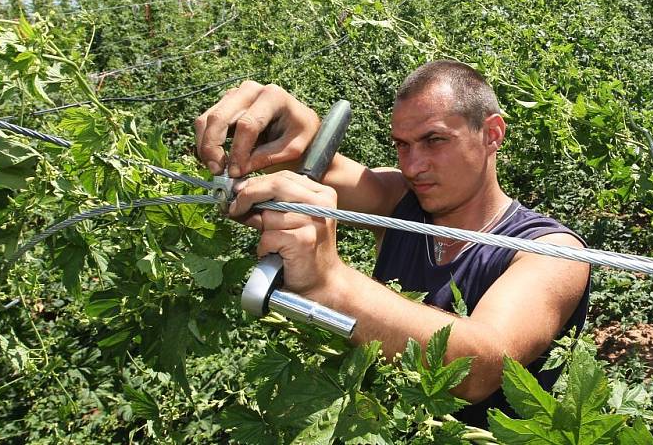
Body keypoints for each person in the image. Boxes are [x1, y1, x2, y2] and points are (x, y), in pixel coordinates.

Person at [194, 60, 590, 428]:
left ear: (491, 134)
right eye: (402, 144)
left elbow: (481, 367)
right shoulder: (400, 199)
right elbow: (311, 164)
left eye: (434, 140)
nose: (413, 166)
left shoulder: (552, 252)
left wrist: (331, 285)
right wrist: (287, 129)